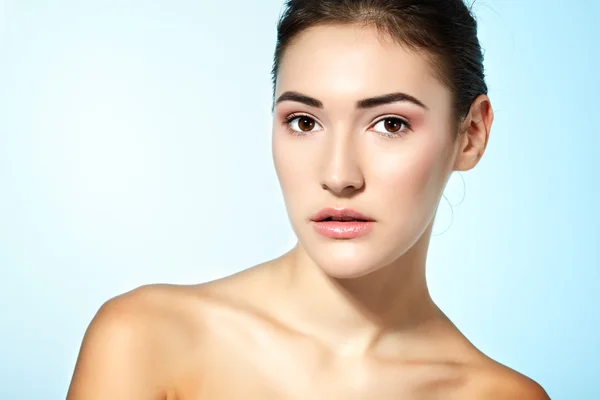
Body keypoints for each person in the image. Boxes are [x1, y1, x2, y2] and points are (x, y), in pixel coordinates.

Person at [67, 0, 550, 398]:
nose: (339, 176)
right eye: (304, 121)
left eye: (390, 124)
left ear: (470, 134)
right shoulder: (145, 338)